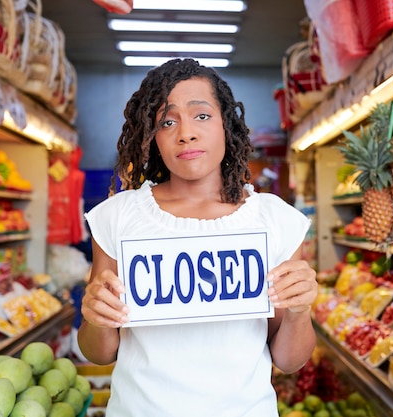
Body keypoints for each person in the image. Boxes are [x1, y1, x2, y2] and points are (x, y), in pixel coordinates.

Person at [78, 58, 318, 417]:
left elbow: (287, 360)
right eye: (167, 121)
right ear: (153, 136)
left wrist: (300, 313)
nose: (185, 133)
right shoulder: (117, 217)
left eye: (201, 116)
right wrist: (95, 316)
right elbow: (99, 353)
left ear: (227, 124)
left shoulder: (275, 219)